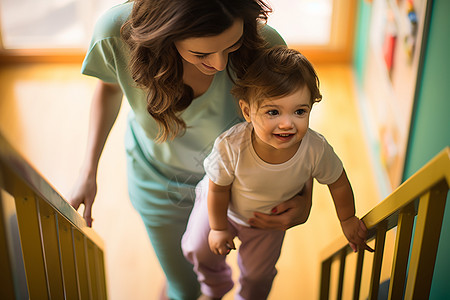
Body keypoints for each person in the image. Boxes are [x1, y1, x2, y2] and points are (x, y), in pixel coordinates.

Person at [68, 1, 314, 299]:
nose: (221, 64)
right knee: (183, 287)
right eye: (202, 54)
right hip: (158, 181)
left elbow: (287, 123)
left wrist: (305, 196)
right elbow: (109, 88)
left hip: (241, 183)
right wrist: (88, 170)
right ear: (163, 34)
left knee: (254, 276)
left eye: (232, 46)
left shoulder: (266, 45)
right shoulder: (114, 34)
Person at [182, 46, 372, 300]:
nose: (287, 123)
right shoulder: (232, 145)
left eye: (299, 111)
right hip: (220, 208)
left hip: (265, 222)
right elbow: (218, 188)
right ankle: (214, 287)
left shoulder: (315, 149)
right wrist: (217, 228)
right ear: (247, 111)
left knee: (258, 275)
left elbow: (338, 183)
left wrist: (347, 219)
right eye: (273, 112)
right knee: (197, 248)